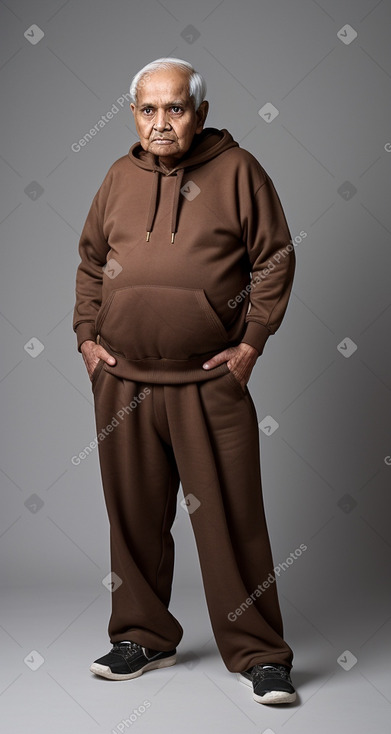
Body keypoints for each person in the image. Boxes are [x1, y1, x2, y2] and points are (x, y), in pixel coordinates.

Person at [73, 57, 297, 705]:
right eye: (148, 109)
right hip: (122, 380)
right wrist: (87, 337)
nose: (161, 122)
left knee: (231, 518)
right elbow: (91, 261)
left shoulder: (238, 172)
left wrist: (251, 342)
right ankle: (143, 636)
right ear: (134, 114)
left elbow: (275, 256)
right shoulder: (118, 175)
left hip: (207, 381)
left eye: (174, 108)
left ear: (199, 113)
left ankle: (259, 653)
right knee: (134, 516)